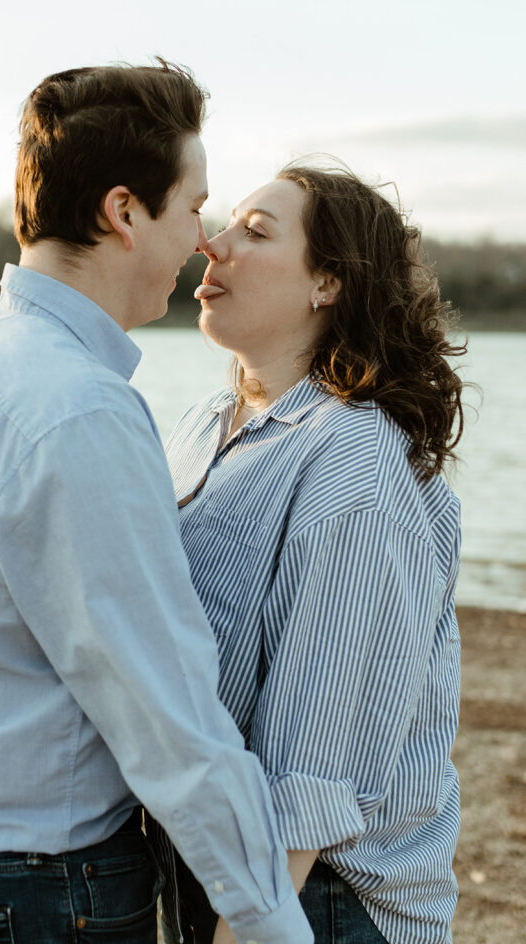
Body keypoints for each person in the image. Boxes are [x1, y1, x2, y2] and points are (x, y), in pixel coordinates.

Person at [0, 62, 313, 944]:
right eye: (191, 208)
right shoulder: (76, 404)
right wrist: (266, 917)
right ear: (125, 212)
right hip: (23, 883)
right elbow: (160, 701)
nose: (202, 242)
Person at [161, 162, 465, 944]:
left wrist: (245, 924)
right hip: (219, 868)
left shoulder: (352, 457)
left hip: (316, 897)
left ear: (326, 283)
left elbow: (317, 753)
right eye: (222, 224)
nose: (211, 245)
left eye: (254, 232)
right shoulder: (205, 422)